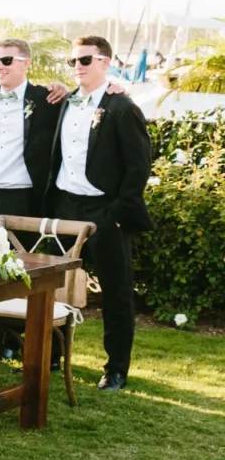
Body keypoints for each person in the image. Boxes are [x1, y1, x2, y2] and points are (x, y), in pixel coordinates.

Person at [47, 36, 152, 393]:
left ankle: (116, 370)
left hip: (103, 211)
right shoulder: (63, 102)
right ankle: (49, 358)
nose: (78, 66)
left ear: (105, 62)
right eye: (73, 60)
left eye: (85, 60)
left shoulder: (122, 107)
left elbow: (139, 167)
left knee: (117, 293)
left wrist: (116, 213)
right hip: (64, 206)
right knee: (51, 286)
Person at [0, 38, 60, 222]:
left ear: (26, 63)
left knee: (21, 251)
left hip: (22, 200)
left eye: (7, 60)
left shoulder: (45, 99)